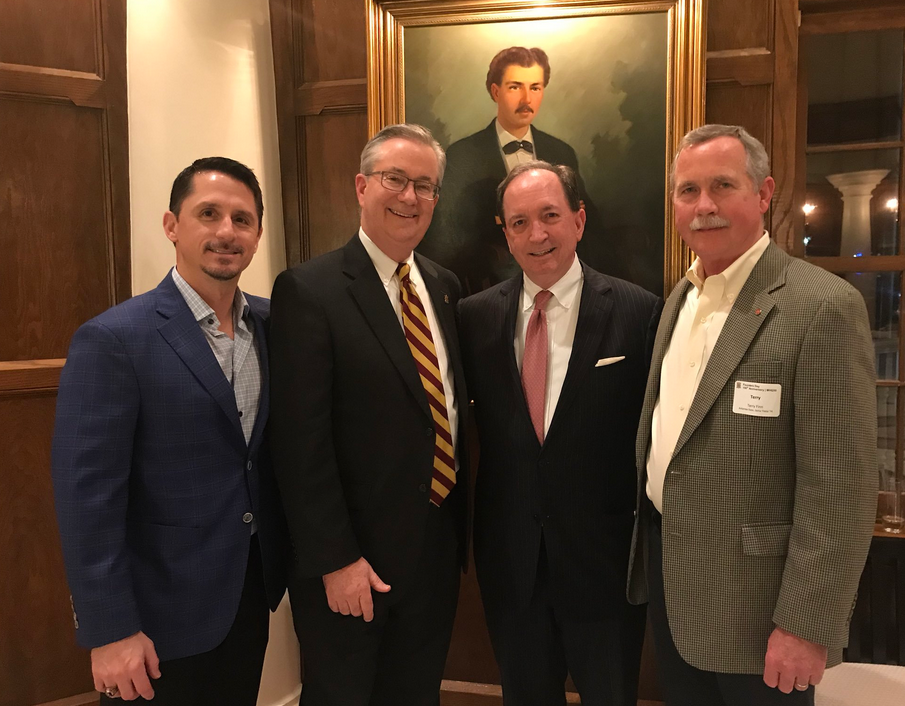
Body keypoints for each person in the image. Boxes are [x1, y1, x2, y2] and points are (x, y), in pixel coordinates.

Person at [626, 124, 878, 705]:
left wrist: (806, 624)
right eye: (688, 191)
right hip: (676, 594)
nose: (704, 206)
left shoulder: (820, 306)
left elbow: (840, 488)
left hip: (764, 616)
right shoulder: (679, 299)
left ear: (764, 194)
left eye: (723, 186)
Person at [52, 157, 288, 705]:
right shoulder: (114, 340)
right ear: (172, 225)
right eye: (209, 214)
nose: (226, 231)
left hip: (247, 598)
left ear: (256, 235)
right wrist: (109, 629)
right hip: (155, 620)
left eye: (242, 218)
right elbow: (86, 499)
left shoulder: (277, 325)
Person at [269, 123, 468, 706]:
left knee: (416, 693)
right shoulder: (310, 290)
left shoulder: (445, 286)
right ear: (362, 186)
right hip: (353, 563)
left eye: (425, 186)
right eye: (395, 180)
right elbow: (299, 442)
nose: (410, 197)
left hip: (433, 550)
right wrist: (335, 560)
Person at [458, 160, 662, 706]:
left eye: (550, 215)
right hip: (512, 565)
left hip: (606, 566)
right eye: (519, 222)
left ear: (579, 219)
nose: (537, 234)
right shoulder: (474, 318)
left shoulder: (638, 312)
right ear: (504, 233)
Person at [420, 46, 601, 293]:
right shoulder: (463, 154)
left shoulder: (561, 151)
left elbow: (585, 223)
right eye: (515, 87)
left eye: (535, 88)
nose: (527, 99)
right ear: (496, 91)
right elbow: (449, 237)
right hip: (488, 291)